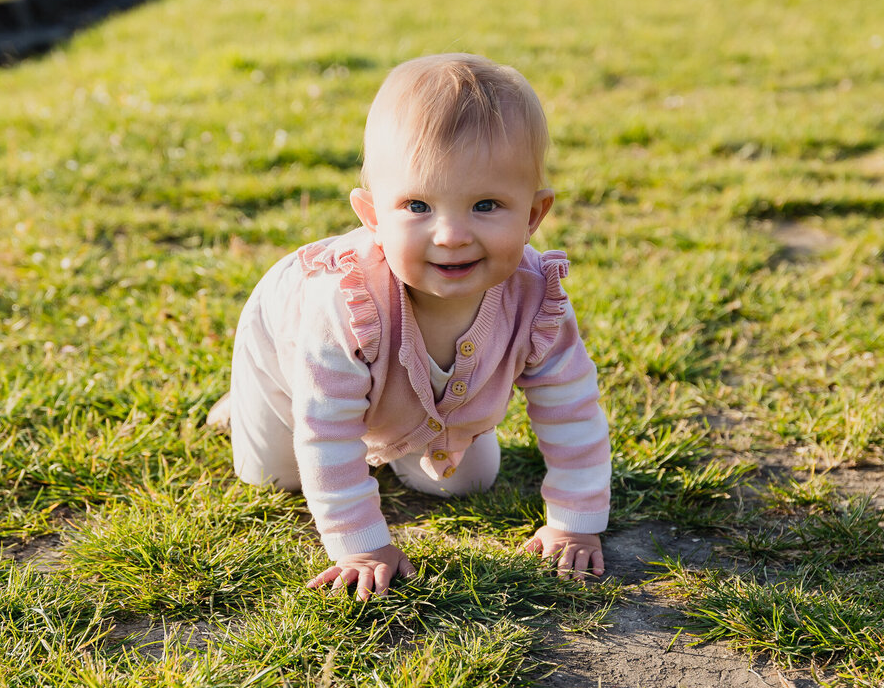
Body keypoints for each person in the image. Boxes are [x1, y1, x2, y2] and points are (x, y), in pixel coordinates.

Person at [208, 53, 610, 601]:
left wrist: (575, 518)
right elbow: (327, 429)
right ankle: (251, 404)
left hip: (416, 398)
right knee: (279, 477)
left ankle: (409, 428)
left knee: (469, 482)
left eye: (486, 205)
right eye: (417, 205)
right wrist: (362, 543)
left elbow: (573, 406)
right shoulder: (341, 305)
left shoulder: (535, 297)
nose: (449, 235)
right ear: (373, 217)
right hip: (287, 356)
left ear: (534, 215)